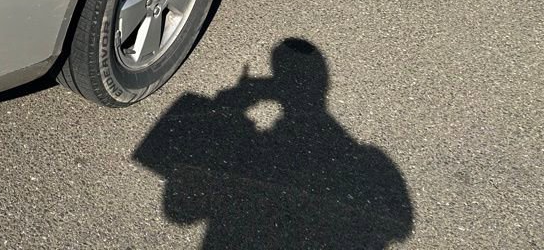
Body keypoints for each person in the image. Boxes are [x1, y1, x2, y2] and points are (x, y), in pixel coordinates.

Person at [133, 38, 414, 248]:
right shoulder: (371, 163)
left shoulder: (366, 161)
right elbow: (399, 228)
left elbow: (179, 213)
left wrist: (231, 107)